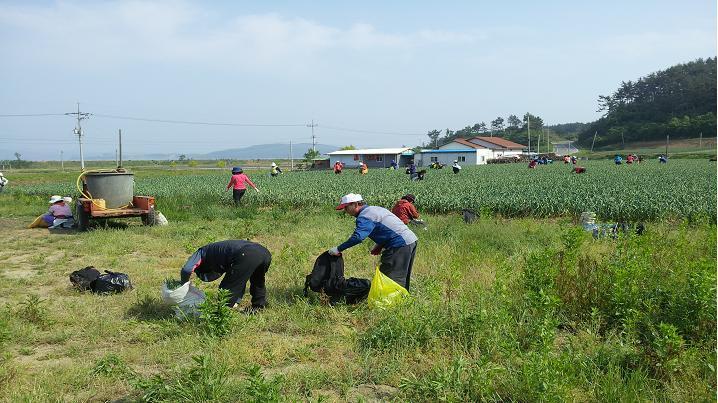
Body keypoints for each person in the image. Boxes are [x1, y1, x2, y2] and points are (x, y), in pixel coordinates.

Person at [328, 193, 418, 291]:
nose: (345, 211)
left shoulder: (364, 216)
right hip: (410, 240)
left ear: (355, 204)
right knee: (402, 274)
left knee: (390, 277)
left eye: (346, 207)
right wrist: (379, 245)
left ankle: (389, 303)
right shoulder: (374, 209)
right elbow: (389, 227)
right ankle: (402, 300)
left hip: (399, 244)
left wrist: (338, 249)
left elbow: (358, 237)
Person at [180, 240, 272, 310]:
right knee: (257, 281)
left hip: (246, 254)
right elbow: (240, 280)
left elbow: (186, 269)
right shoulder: (220, 253)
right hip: (265, 253)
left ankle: (222, 314)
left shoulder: (201, 252)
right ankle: (258, 307)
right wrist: (237, 301)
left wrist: (183, 286)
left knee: (226, 288)